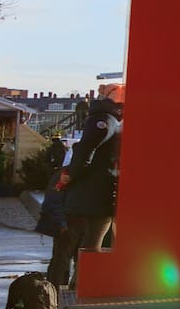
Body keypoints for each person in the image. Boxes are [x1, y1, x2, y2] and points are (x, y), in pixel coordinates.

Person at [49, 82, 124, 287]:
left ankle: (81, 286)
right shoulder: (106, 120)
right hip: (95, 192)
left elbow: (85, 150)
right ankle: (83, 287)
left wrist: (71, 174)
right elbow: (85, 151)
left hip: (91, 191)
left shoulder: (104, 119)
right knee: (91, 244)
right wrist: (71, 175)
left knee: (88, 244)